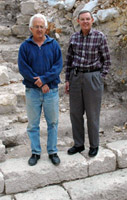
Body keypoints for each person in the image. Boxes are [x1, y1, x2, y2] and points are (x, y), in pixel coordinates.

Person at [18, 13, 63, 166]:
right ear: (31, 29)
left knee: (53, 122)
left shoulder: (54, 44)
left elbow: (58, 66)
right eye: (36, 27)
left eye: (41, 27)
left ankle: (52, 151)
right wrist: (40, 83)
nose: (39, 29)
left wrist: (44, 80)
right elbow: (24, 68)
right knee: (33, 124)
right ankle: (36, 152)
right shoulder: (25, 46)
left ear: (46, 29)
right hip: (32, 91)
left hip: (51, 91)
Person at [65, 10, 111, 157]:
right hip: (76, 77)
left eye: (87, 19)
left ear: (92, 20)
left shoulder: (99, 37)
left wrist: (99, 76)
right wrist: (67, 79)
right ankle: (78, 144)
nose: (85, 22)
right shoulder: (74, 37)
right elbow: (69, 60)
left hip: (93, 77)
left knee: (92, 114)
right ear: (78, 21)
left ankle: (94, 145)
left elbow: (107, 61)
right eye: (82, 19)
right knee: (75, 113)